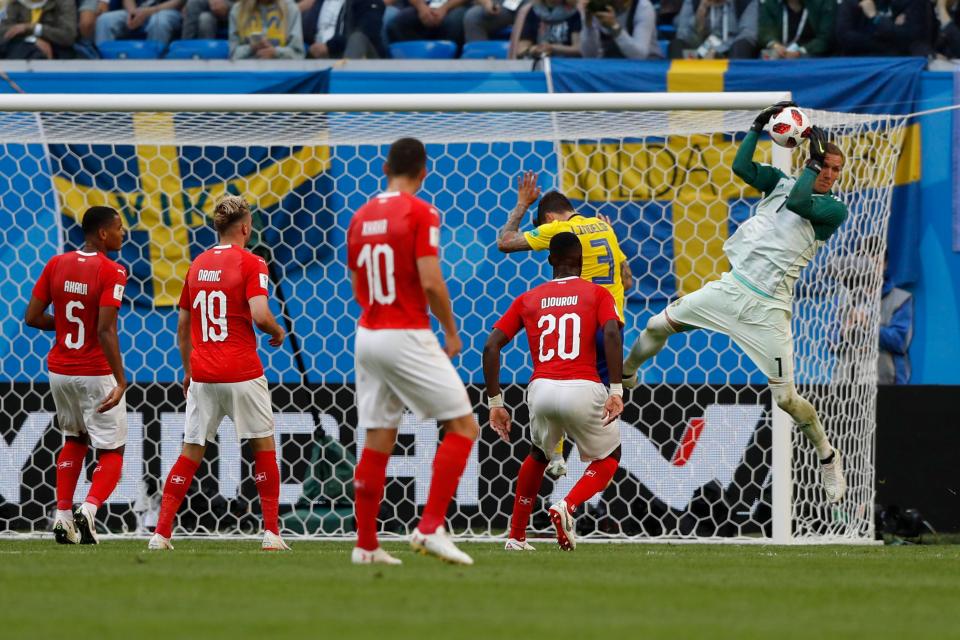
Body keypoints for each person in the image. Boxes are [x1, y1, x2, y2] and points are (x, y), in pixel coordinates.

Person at [623, 101, 847, 503]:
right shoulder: (780, 181)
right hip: (731, 289)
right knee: (657, 325)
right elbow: (741, 169)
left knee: (786, 400)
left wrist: (812, 165)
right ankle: (625, 376)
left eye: (835, 170)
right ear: (809, 161)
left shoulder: (833, 209)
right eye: (824, 166)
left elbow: (799, 204)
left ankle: (827, 456)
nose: (829, 175)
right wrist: (757, 127)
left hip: (769, 311)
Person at [347, 138, 479, 566]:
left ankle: (365, 544)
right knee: (463, 425)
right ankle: (430, 527)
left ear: (385, 167)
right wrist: (451, 331)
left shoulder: (360, 216)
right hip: (405, 331)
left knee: (378, 435)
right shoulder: (421, 212)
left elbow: (356, 285)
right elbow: (430, 280)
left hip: (368, 332)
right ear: (424, 172)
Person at [148, 196, 290, 552]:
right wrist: (276, 331)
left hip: (204, 374)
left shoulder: (196, 265)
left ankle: (161, 533)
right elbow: (259, 313)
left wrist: (188, 369)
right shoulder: (252, 262)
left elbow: (183, 326)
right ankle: (271, 534)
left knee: (190, 451)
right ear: (245, 226)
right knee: (262, 447)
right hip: (242, 371)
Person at [484, 232, 624, 551]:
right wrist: (616, 389)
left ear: (549, 261)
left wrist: (495, 404)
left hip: (542, 388)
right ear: (582, 262)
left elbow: (492, 346)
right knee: (610, 456)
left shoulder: (528, 298)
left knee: (538, 453)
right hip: (583, 386)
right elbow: (613, 333)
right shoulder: (598, 293)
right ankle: (568, 505)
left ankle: (516, 536)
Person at [496, 172, 632, 478]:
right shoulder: (605, 229)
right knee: (600, 402)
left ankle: (555, 455)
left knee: (558, 384)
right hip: (613, 328)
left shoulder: (558, 229)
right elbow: (626, 279)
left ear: (548, 217)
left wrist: (521, 204)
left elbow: (505, 242)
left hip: (579, 323)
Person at [24, 206, 128, 545]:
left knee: (74, 440)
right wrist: (121, 380)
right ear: (102, 234)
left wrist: (68, 327)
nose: (122, 233)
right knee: (113, 451)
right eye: (119, 228)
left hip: (59, 371)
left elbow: (32, 316)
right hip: (94, 372)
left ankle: (63, 516)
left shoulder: (56, 264)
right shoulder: (112, 271)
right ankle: (90, 508)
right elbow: (105, 330)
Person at [834, 0, 932, 56]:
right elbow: (845, 37)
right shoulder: (852, 3)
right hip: (859, 61)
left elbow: (911, 37)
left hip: (895, 62)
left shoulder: (907, 3)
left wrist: (875, 17)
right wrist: (889, 34)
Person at [669, 0, 758, 59]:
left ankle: (735, 85)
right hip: (701, 47)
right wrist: (700, 14)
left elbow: (748, 33)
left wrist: (719, 51)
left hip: (731, 49)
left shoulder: (746, 2)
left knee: (742, 46)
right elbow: (683, 34)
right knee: (676, 45)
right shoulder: (693, 1)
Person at [302, 0, 386, 59]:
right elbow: (306, 34)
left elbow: (368, 32)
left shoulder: (368, 1)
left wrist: (329, 47)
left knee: (357, 38)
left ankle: (348, 80)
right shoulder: (320, 3)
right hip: (318, 57)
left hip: (356, 57)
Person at [580, 0, 661, 58]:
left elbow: (640, 55)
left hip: (646, 69)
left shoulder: (643, 6)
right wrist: (588, 25)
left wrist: (614, 26)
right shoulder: (599, 6)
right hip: (611, 65)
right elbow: (589, 55)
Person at [95, 0, 184, 51]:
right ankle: (104, 67)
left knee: (159, 22)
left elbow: (179, 1)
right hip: (137, 10)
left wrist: (149, 11)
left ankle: (154, 68)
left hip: (166, 10)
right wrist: (133, 12)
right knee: (104, 20)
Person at [0, 0, 77, 59]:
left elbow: (68, 36)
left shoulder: (64, 2)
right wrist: (31, 40)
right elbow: (4, 32)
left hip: (55, 51)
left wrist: (32, 28)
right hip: (22, 47)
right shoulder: (16, 3)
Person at [757, 0, 835, 58]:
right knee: (765, 58)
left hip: (811, 54)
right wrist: (775, 45)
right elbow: (764, 31)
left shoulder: (824, 3)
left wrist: (800, 52)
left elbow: (825, 38)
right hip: (779, 53)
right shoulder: (771, 4)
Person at [229, 0, 305, 58]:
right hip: (247, 73)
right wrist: (251, 48)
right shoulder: (238, 10)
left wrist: (275, 52)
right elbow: (233, 55)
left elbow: (298, 54)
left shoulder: (291, 9)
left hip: (281, 73)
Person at [514, 0, 582, 58]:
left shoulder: (574, 13)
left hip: (567, 65)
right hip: (538, 64)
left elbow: (578, 49)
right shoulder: (531, 11)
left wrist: (552, 48)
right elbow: (521, 49)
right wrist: (534, 49)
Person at [385, 0, 470, 47]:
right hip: (423, 5)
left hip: (453, 6)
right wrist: (421, 7)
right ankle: (413, 61)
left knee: (454, 22)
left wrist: (444, 8)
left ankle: (449, 62)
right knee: (399, 22)